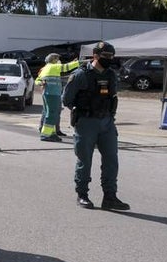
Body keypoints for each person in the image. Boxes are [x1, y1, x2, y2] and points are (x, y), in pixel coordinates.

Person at [61, 41, 130, 210]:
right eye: (105, 56)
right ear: (95, 56)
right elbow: (67, 99)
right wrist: (80, 110)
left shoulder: (111, 75)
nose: (109, 59)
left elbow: (112, 96)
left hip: (106, 122)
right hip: (86, 122)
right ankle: (82, 194)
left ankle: (110, 197)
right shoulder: (80, 75)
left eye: (111, 56)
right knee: (85, 160)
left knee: (111, 160)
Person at [35, 53, 81, 141]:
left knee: (49, 113)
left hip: (48, 93)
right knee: (52, 114)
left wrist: (41, 83)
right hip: (52, 94)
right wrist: (78, 63)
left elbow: (38, 80)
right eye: (57, 59)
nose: (59, 60)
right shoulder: (53, 67)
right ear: (53, 60)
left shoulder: (45, 68)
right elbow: (66, 67)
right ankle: (46, 135)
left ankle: (52, 133)